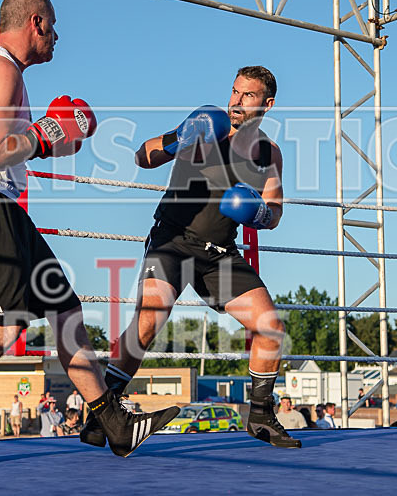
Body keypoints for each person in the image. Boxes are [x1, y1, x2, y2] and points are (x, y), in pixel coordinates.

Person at [0, 0, 179, 471]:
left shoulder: (9, 75)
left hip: (0, 204)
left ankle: (112, 422)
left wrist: (64, 137)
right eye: (54, 27)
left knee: (65, 308)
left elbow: (21, 148)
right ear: (36, 23)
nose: (57, 37)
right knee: (2, 329)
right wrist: (47, 131)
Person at [80, 66, 299, 450]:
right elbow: (141, 157)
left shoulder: (269, 153)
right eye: (234, 91)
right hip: (173, 240)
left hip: (219, 254)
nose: (236, 101)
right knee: (150, 317)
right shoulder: (204, 127)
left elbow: (275, 210)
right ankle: (103, 413)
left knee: (270, 327)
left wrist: (260, 214)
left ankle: (261, 416)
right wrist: (174, 141)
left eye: (248, 95)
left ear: (267, 104)